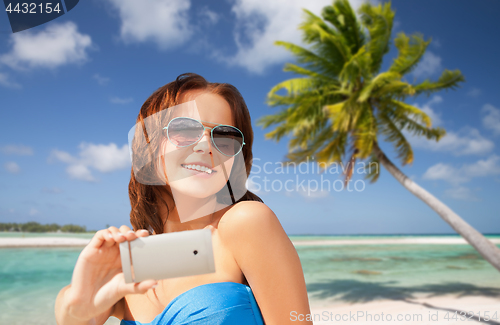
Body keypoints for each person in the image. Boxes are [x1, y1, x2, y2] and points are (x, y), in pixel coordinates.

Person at [55, 73, 313, 325]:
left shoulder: (244, 223)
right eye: (185, 129)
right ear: (149, 146)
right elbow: (73, 312)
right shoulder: (137, 261)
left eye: (225, 136)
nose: (206, 145)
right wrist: (76, 307)